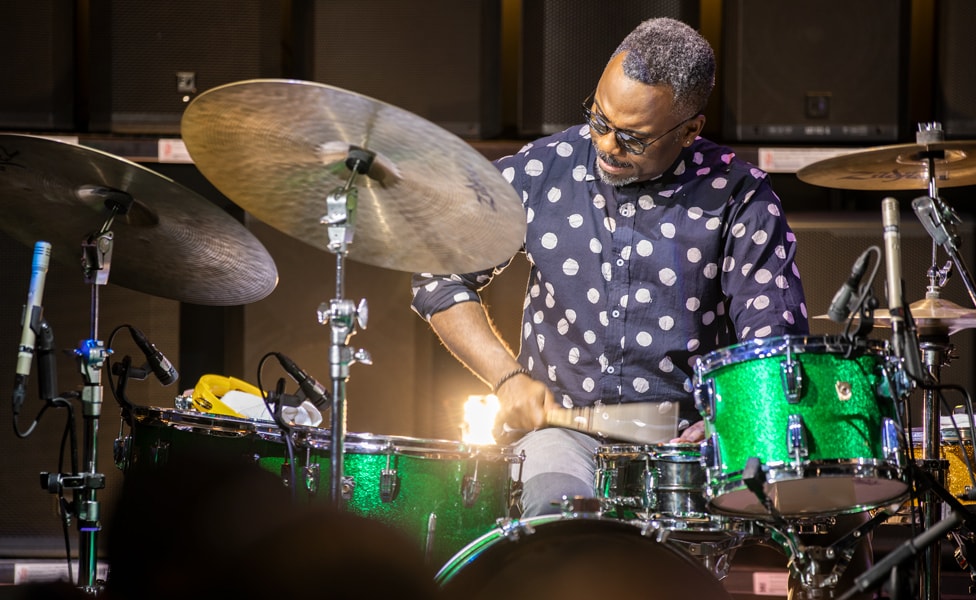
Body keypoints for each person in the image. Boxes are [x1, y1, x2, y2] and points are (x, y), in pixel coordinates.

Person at [412, 16, 879, 600]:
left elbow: (772, 342)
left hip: (691, 438)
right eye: (599, 120)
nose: (606, 145)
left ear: (689, 130)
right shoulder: (540, 170)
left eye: (632, 137)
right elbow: (438, 275)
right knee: (559, 539)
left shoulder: (739, 195)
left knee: (831, 525)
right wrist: (508, 377)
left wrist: (726, 426)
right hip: (565, 427)